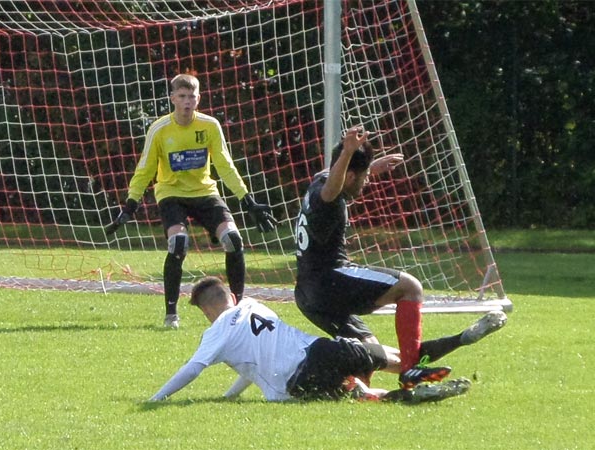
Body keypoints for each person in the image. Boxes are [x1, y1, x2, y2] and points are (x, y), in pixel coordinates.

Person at [294, 126, 507, 389]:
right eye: (363, 176)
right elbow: (332, 190)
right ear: (349, 175)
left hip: (307, 294)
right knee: (410, 287)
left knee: (371, 354)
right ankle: (410, 371)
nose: (367, 181)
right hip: (330, 280)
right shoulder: (329, 195)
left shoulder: (319, 180)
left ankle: (453, 343)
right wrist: (349, 151)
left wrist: (370, 167)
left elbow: (333, 177)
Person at [106, 74, 277, 328]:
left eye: (192, 96)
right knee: (178, 243)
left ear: (199, 99)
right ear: (173, 98)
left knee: (233, 239)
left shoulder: (209, 126)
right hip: (171, 194)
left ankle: (237, 310)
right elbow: (144, 169)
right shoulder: (160, 129)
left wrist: (247, 200)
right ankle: (171, 315)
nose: (187, 101)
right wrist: (130, 204)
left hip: (205, 193)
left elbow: (225, 165)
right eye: (182, 96)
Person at [149, 276, 472, 403]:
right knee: (385, 357)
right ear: (232, 296)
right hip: (318, 352)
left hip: (294, 386)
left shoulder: (216, 333)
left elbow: (194, 369)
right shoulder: (253, 305)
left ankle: (402, 395)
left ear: (207, 311)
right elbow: (254, 359)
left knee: (354, 394)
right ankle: (446, 349)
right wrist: (228, 396)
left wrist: (157, 398)